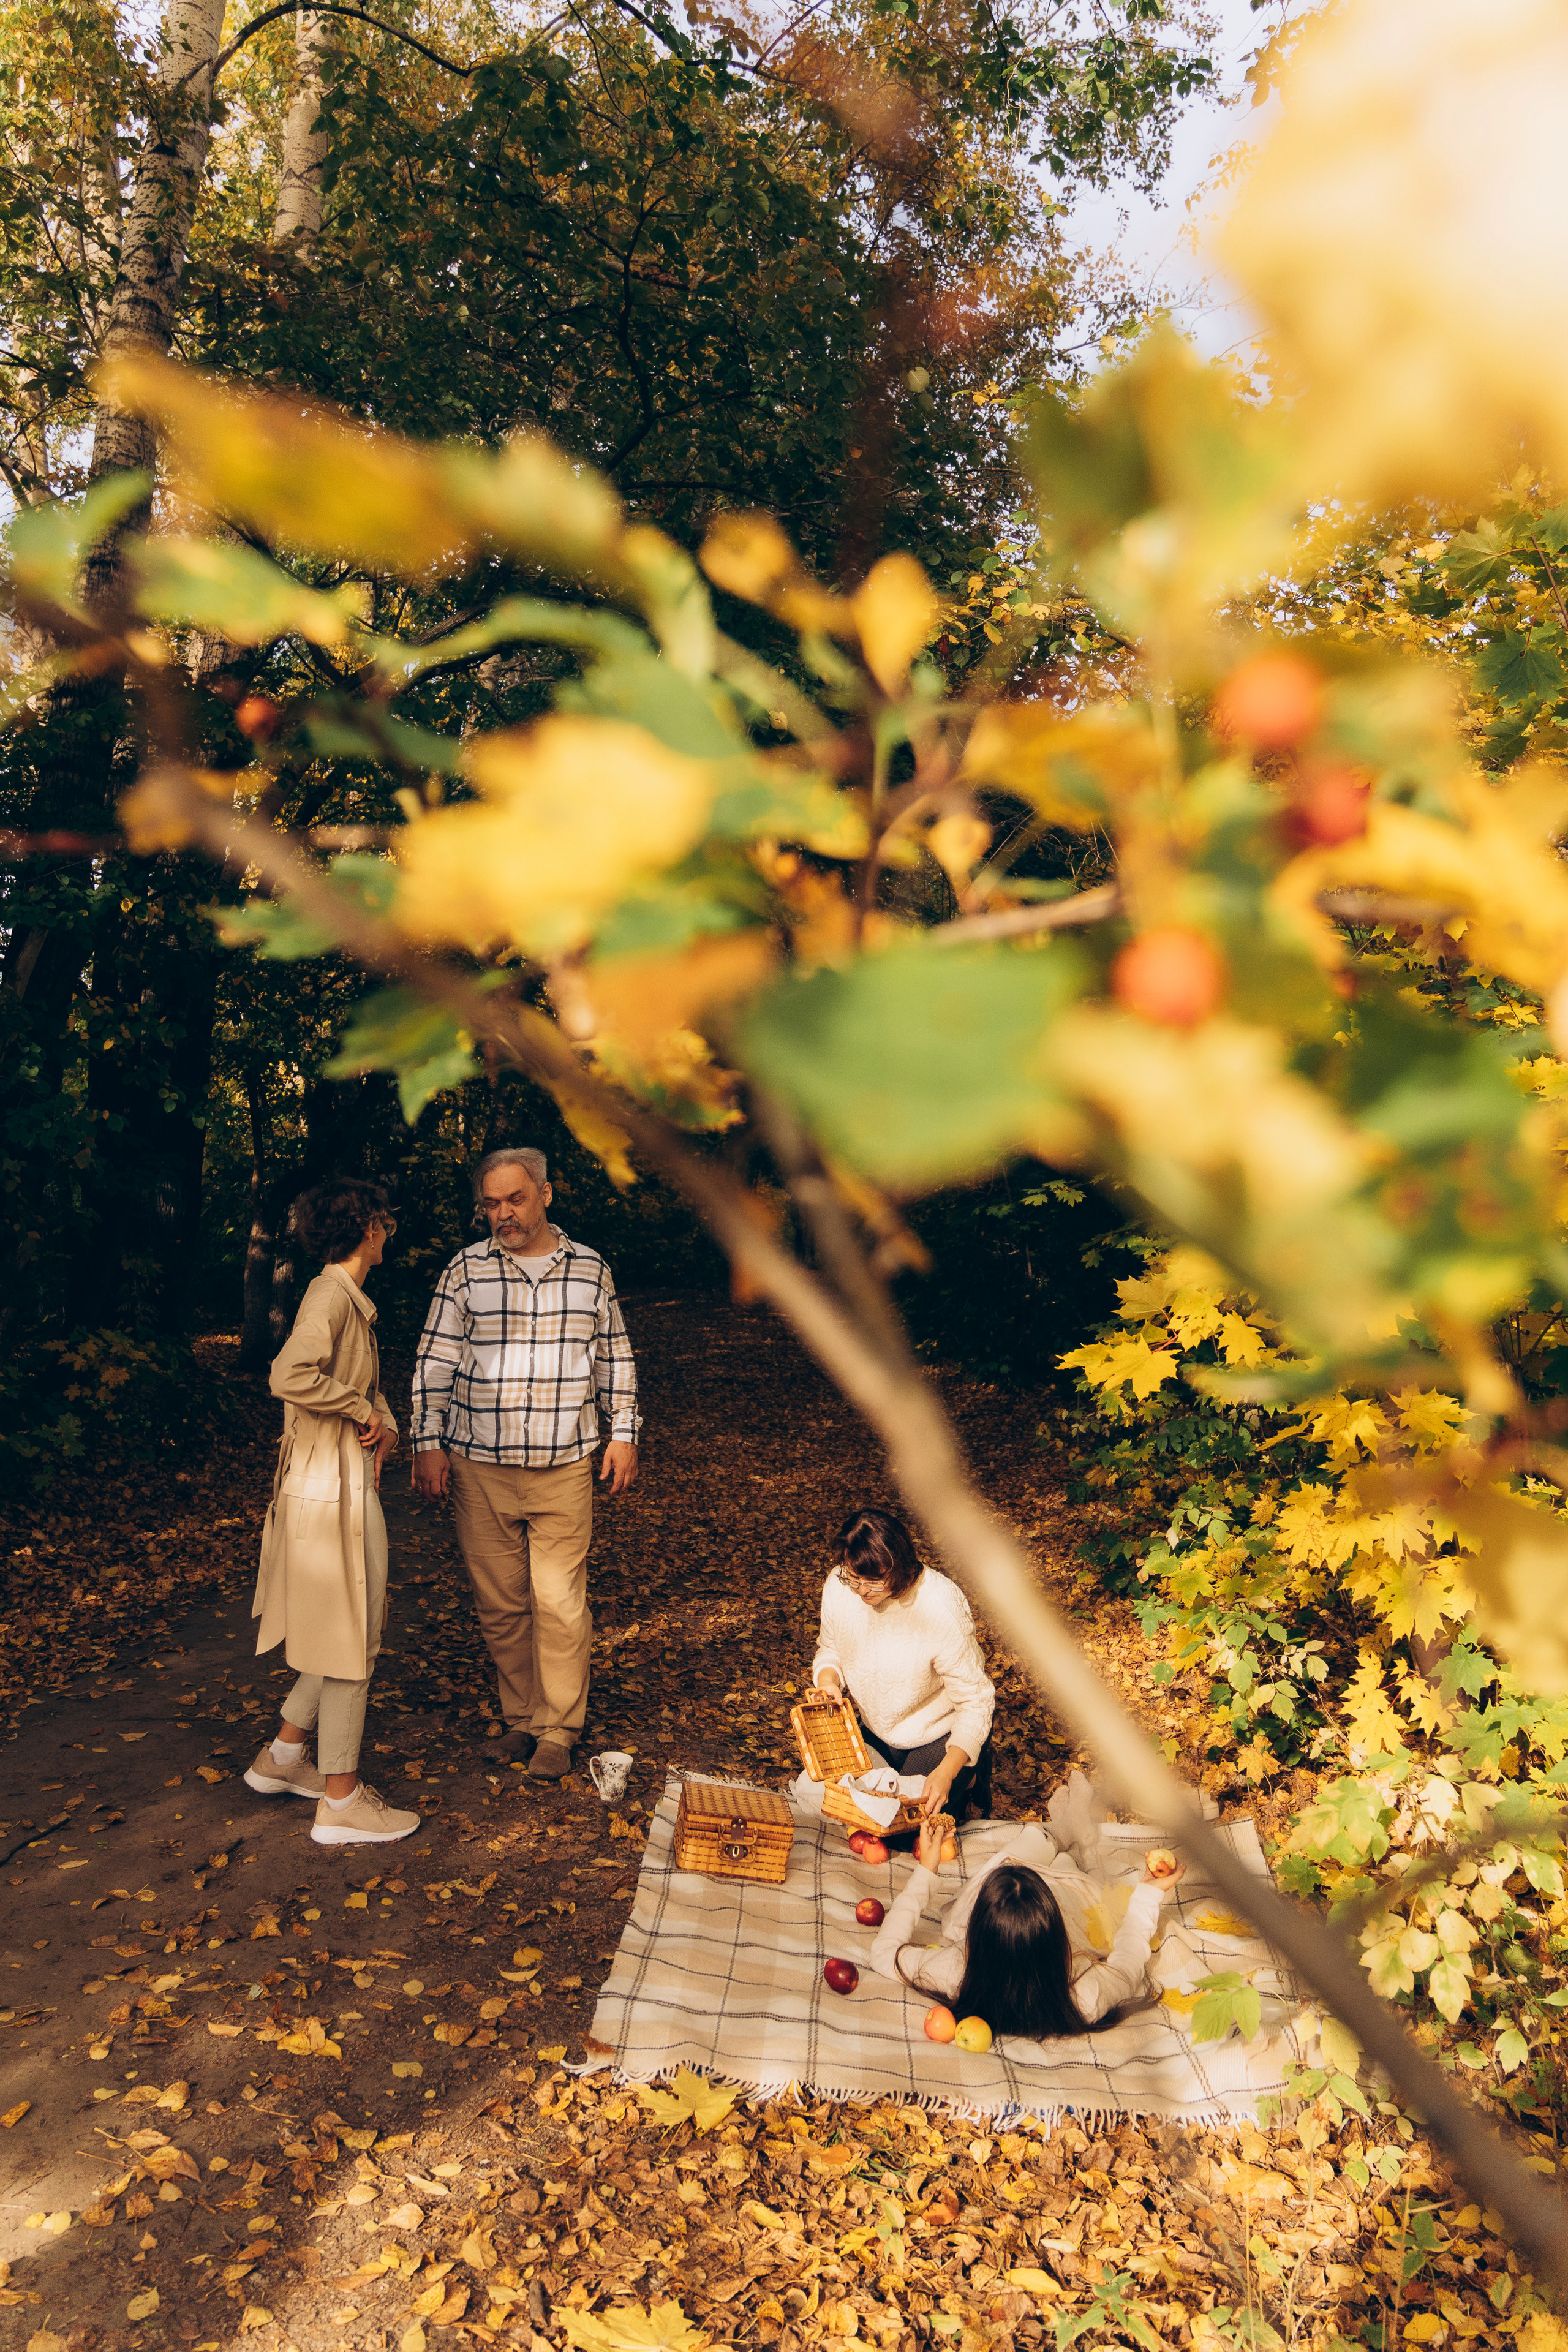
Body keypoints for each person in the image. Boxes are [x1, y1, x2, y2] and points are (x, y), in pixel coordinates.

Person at [410, 1147, 641, 1779]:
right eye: (490, 1203)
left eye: (514, 1199)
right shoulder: (464, 1270)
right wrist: (425, 1442)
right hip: (478, 1464)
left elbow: (613, 1358)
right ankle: (521, 1721)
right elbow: (435, 1360)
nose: (502, 1213)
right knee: (501, 1605)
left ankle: (557, 1731)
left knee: (562, 1604)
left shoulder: (590, 1269)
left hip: (565, 1465)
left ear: (545, 1193)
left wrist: (624, 1432)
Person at [245, 1177, 420, 1847]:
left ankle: (284, 1759)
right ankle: (342, 1802)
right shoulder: (329, 1295)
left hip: (331, 1487)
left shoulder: (345, 1298)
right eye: (387, 1220)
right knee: (353, 1639)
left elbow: (365, 1392)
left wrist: (381, 1419)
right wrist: (356, 1407)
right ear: (369, 1227)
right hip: (328, 1494)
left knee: (342, 1626)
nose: (389, 1231)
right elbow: (289, 1375)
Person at [868, 1773, 1184, 2037]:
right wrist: (1147, 1893)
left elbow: (884, 1953)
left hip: (1024, 1898)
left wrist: (928, 1869)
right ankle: (1077, 1843)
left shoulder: (954, 1973)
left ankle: (1068, 1831)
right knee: (1067, 1869)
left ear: (978, 1933)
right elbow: (1127, 1966)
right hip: (1070, 1901)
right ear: (1054, 1935)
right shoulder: (1084, 1999)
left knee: (1030, 1847)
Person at [811, 1507, 995, 1824]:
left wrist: (947, 1773)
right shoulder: (840, 1587)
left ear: (900, 1567)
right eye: (853, 1578)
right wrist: (828, 1682)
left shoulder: (939, 1606)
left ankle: (971, 1773)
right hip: (875, 1730)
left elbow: (977, 1702)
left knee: (905, 1828)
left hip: (937, 1734)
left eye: (874, 1581)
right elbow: (830, 1650)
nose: (862, 1590)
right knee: (849, 1815)